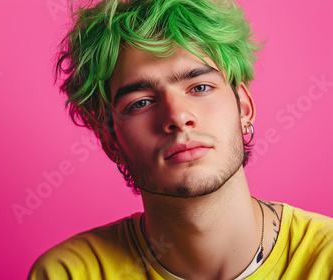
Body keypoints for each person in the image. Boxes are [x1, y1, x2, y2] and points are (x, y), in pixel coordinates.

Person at [28, 0, 333, 279]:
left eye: (199, 87)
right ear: (111, 140)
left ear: (243, 107)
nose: (177, 116)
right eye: (141, 103)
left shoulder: (325, 257)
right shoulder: (70, 273)